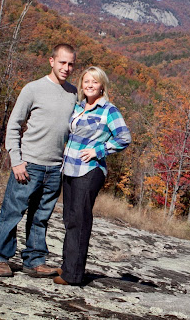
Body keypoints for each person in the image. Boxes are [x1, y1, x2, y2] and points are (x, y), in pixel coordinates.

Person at [0, 44, 77, 278]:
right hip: (29, 165)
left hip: (55, 168)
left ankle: (35, 261)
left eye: (70, 64)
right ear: (51, 61)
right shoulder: (33, 89)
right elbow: (14, 125)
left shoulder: (73, 93)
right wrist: (16, 160)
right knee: (12, 212)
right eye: (62, 62)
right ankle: (0, 258)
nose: (66, 68)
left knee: (40, 217)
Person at [54, 66, 131, 285]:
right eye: (86, 81)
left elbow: (124, 137)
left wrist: (98, 150)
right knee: (69, 219)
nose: (90, 85)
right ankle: (68, 266)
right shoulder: (79, 106)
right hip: (70, 167)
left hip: (89, 170)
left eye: (95, 82)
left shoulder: (109, 110)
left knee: (79, 220)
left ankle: (73, 275)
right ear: (81, 84)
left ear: (102, 86)